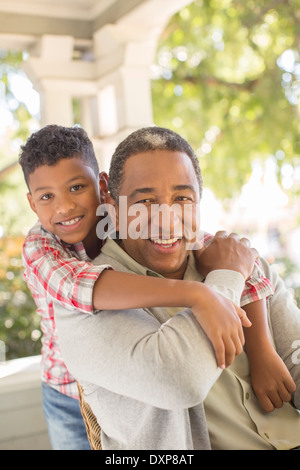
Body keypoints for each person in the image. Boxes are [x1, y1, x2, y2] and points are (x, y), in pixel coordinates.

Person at [53, 126, 300, 450]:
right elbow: (177, 380)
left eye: (182, 198)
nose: (167, 220)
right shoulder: (84, 300)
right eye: (145, 201)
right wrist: (226, 277)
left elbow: (294, 357)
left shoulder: (240, 259)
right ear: (111, 203)